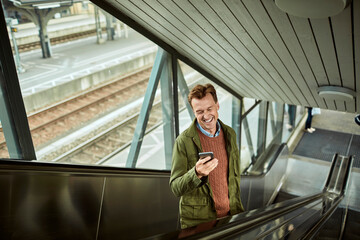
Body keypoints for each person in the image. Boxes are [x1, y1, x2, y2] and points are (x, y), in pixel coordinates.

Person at [169, 83, 244, 229]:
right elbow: (175, 188)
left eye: (210, 109)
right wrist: (196, 174)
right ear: (194, 112)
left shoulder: (230, 134)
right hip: (199, 223)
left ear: (217, 105)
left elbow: (233, 178)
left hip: (231, 216)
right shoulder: (183, 141)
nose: (206, 115)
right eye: (199, 111)